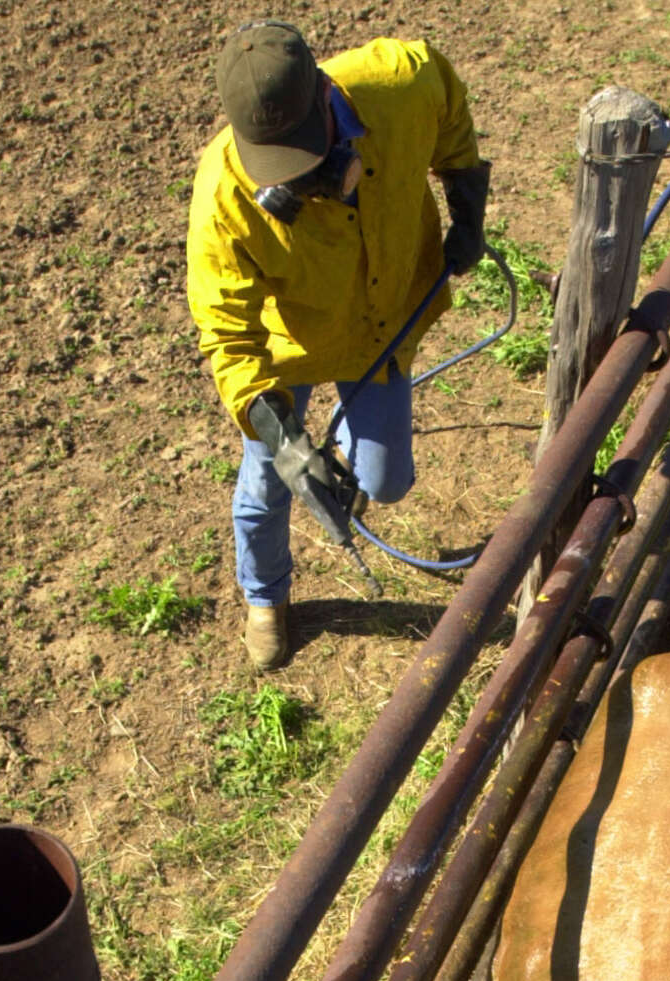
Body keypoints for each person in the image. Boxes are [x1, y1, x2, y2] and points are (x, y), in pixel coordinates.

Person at [187, 21, 490, 669]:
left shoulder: (399, 81)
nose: (290, 181)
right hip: (286, 346)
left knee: (384, 481)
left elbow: (451, 110)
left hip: (381, 322)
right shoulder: (223, 194)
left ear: (326, 95)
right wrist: (290, 444)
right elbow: (227, 334)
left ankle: (344, 464)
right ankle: (265, 597)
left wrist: (467, 201)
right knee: (267, 481)